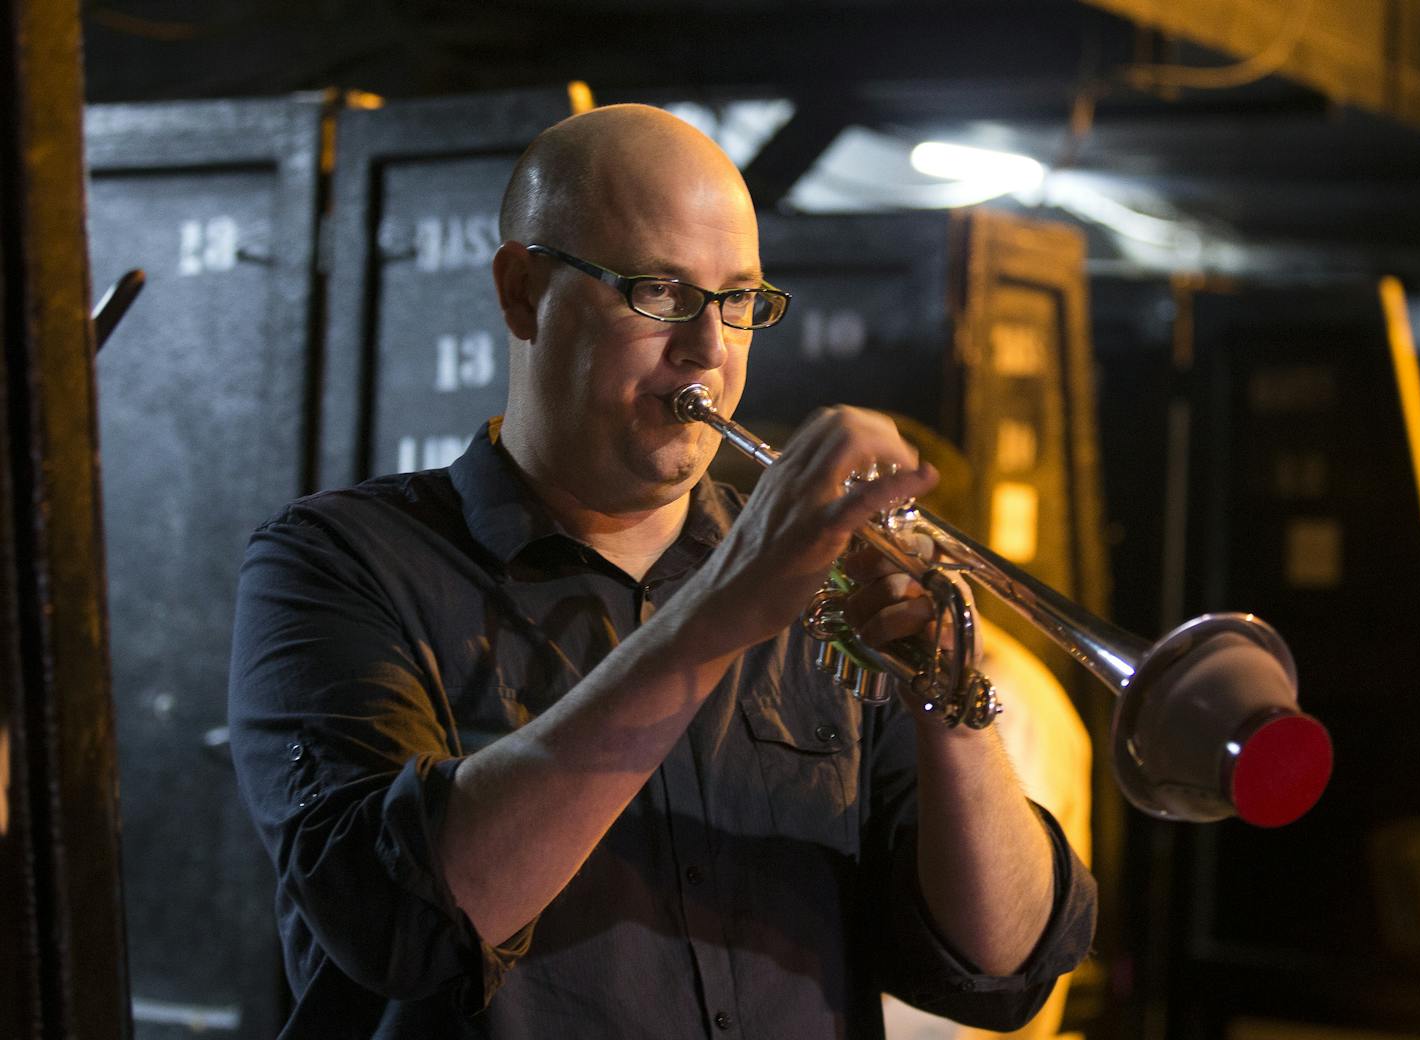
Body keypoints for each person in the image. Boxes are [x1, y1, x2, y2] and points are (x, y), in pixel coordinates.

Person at [228, 103, 1096, 1039]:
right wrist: (724, 613)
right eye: (658, 292)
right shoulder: (336, 563)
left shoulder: (818, 592)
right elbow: (395, 922)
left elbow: (998, 971)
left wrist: (951, 711)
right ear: (522, 292)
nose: (709, 351)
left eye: (737, 301)